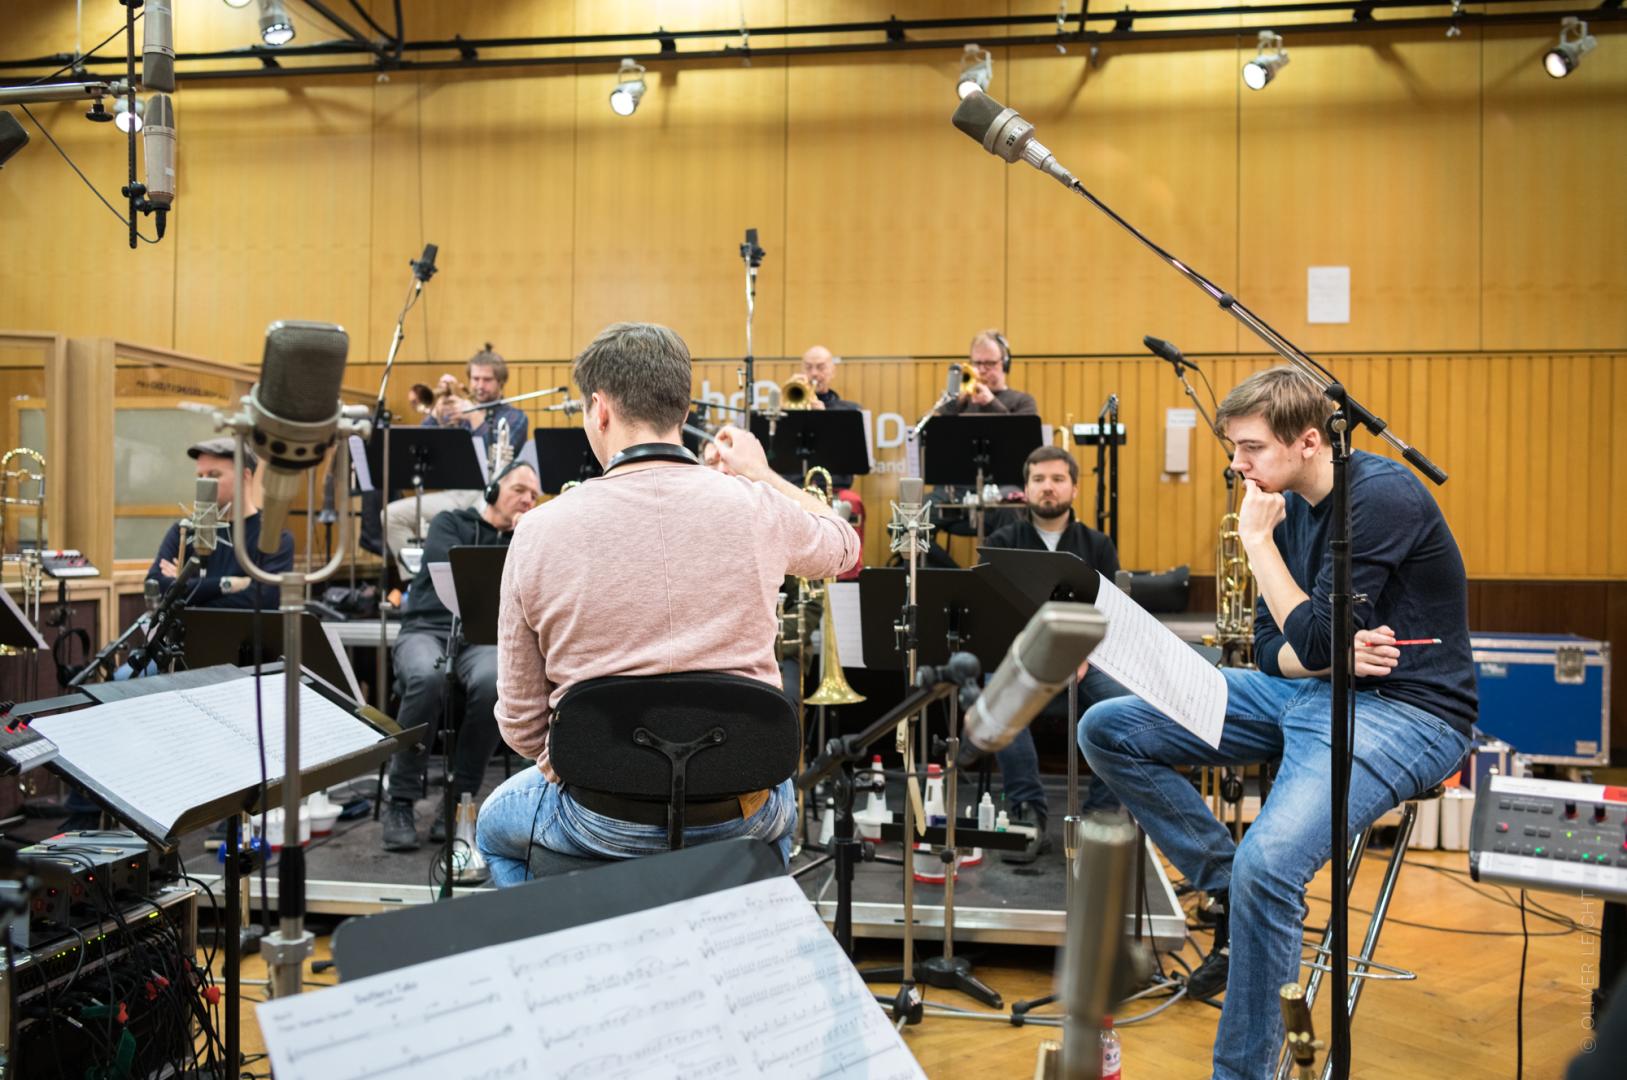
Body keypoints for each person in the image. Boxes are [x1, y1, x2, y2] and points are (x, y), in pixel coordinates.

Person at [1078, 367, 1476, 1080]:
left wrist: (1262, 553)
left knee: (1273, 865)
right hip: (1311, 692)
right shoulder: (1284, 503)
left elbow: (1314, 639)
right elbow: (1272, 649)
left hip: (1408, 711)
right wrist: (1326, 658)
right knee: (1109, 726)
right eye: (1233, 449)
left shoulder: (1377, 496)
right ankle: (1228, 884)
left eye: (1250, 449)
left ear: (1309, 442)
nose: (1237, 466)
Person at [476, 322, 859, 884]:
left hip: (600, 813)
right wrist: (760, 472)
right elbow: (845, 549)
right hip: (740, 811)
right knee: (776, 812)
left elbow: (519, 723)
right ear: (683, 408)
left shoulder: (538, 530)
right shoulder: (756, 506)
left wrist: (583, 764)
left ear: (600, 411)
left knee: (492, 832)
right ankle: (744, 919)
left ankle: (569, 950)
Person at [380, 459, 541, 851]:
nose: (527, 500)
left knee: (493, 684)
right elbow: (447, 564)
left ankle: (459, 801)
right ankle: (400, 798)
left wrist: (524, 542)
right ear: (492, 490)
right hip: (426, 628)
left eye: (534, 496)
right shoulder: (450, 522)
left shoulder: (527, 537)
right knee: (425, 677)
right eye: (519, 489)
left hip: (484, 637)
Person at [981, 445, 1129, 861]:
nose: (1048, 488)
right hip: (1020, 657)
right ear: (1025, 488)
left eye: (1058, 479)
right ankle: (1027, 809)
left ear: (1074, 488)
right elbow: (996, 611)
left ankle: (1102, 813)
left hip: (1087, 659)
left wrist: (1079, 654)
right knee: (998, 697)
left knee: (1125, 706)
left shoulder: (1097, 544)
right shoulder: (1002, 540)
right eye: (1039, 479)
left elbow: (1109, 611)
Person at [383, 344, 531, 575]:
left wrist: (474, 419)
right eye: (475, 379)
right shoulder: (458, 410)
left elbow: (497, 465)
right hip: (453, 494)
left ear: (500, 383)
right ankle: (420, 582)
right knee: (390, 516)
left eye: (487, 380)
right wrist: (435, 414)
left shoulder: (514, 418)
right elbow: (419, 444)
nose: (479, 385)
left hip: (490, 496)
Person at [145, 437, 294, 609]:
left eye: (214, 475)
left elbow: (264, 601)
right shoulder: (185, 529)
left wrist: (185, 591)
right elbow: (157, 587)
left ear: (245, 476)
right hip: (190, 635)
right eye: (200, 476)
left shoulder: (273, 537)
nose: (203, 483)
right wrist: (227, 584)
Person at [935, 329, 1037, 416]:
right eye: (977, 363)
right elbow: (932, 431)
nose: (982, 370)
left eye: (989, 363)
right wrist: (953, 403)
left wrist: (991, 403)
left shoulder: (1023, 402)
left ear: (1005, 364)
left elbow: (1020, 435)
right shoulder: (963, 400)